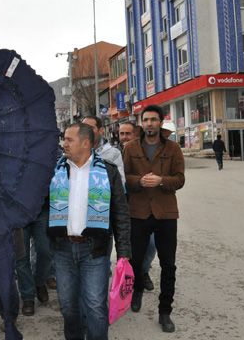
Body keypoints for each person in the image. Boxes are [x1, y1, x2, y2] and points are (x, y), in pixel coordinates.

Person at [48, 123, 131, 340]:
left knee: (95, 305)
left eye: (69, 139)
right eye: (63, 139)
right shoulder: (56, 171)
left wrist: (124, 253)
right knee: (68, 306)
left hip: (94, 249)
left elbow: (121, 215)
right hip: (63, 249)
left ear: (86, 143)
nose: (63, 143)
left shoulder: (108, 172)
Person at [123, 105, 185, 333]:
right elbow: (125, 177)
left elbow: (179, 179)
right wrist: (139, 181)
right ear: (142, 123)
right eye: (146, 120)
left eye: (153, 120)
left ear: (161, 122)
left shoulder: (173, 148)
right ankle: (137, 290)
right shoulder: (129, 148)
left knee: (168, 264)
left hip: (166, 213)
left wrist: (161, 181)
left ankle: (165, 311)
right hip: (138, 212)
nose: (149, 123)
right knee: (135, 260)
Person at [119, 122, 155, 292]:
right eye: (121, 133)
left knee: (152, 243)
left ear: (136, 136)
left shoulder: (145, 154)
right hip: (122, 209)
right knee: (129, 246)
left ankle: (143, 271)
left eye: (128, 133)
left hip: (145, 206)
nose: (124, 137)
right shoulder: (113, 154)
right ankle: (129, 276)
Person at [15, 196, 52, 316]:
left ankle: (39, 282)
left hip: (42, 209)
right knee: (21, 256)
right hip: (18, 210)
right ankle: (27, 297)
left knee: (46, 251)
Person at [82, 116, 126, 186]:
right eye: (83, 128)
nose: (86, 131)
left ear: (101, 130)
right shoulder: (76, 153)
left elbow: (119, 183)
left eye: (90, 128)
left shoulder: (113, 153)